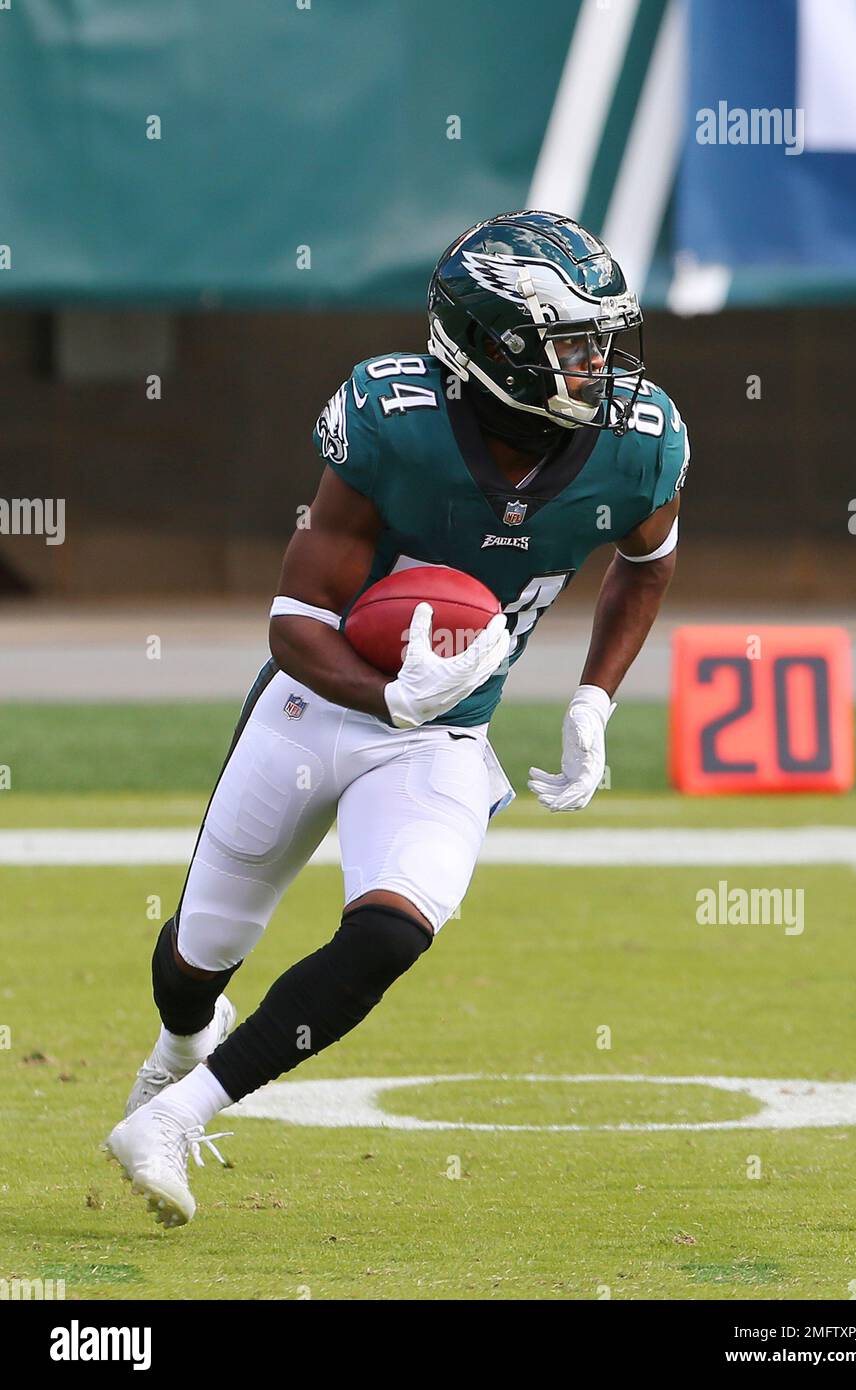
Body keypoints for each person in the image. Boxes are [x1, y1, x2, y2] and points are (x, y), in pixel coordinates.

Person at [103, 209, 689, 1226]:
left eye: (604, 339)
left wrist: (593, 698)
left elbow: (645, 565)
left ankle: (176, 1114)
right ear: (494, 347)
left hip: (446, 736)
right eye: (574, 343)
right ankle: (180, 1048)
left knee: (391, 932)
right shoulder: (394, 418)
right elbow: (293, 622)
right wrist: (384, 694)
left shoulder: (637, 449)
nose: (601, 366)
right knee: (197, 958)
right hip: (312, 703)